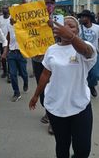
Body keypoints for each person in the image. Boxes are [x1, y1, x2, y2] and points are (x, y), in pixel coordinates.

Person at [29, 16, 97, 158]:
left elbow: (87, 52)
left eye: (71, 26)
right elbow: (45, 74)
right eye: (63, 25)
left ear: (77, 31)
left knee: (83, 150)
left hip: (80, 106)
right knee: (62, 145)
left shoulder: (86, 46)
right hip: (56, 106)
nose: (66, 28)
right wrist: (36, 95)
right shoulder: (51, 50)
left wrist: (71, 38)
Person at [32, 0, 57, 134]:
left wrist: (54, 27)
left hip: (54, 62)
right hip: (37, 59)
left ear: (55, 5)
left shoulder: (60, 20)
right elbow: (25, 30)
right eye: (46, 2)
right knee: (41, 87)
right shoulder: (34, 19)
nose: (48, 5)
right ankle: (47, 110)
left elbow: (68, 37)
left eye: (51, 3)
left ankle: (53, 119)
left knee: (52, 88)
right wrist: (15, 22)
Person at [78, 9, 99, 97]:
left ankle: (91, 86)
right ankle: (84, 89)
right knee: (83, 74)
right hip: (80, 55)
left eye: (83, 17)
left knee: (95, 75)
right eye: (81, 17)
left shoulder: (97, 28)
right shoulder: (78, 27)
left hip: (94, 54)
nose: (81, 19)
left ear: (89, 18)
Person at [7, 18, 29, 102]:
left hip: (21, 53)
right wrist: (6, 51)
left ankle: (25, 82)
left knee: (23, 73)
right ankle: (16, 93)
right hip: (12, 53)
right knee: (12, 74)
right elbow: (8, 39)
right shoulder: (9, 26)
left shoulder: (24, 26)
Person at [0, 5, 10, 79]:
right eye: (3, 8)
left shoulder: (11, 18)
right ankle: (5, 71)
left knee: (10, 58)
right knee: (3, 58)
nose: (5, 9)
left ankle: (10, 74)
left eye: (6, 8)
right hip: (1, 41)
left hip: (10, 41)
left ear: (9, 9)